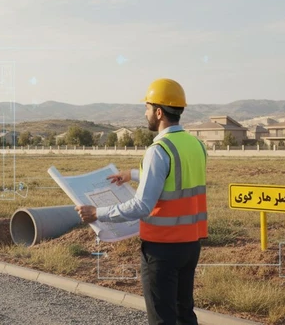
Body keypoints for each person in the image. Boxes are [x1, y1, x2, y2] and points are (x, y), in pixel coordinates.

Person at [76, 78, 208, 325]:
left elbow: (141, 206)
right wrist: (132, 174)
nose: (145, 113)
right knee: (184, 315)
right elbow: (174, 178)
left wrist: (97, 213)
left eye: (146, 108)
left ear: (159, 112)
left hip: (162, 249)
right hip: (190, 245)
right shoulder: (196, 145)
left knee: (162, 319)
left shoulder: (159, 150)